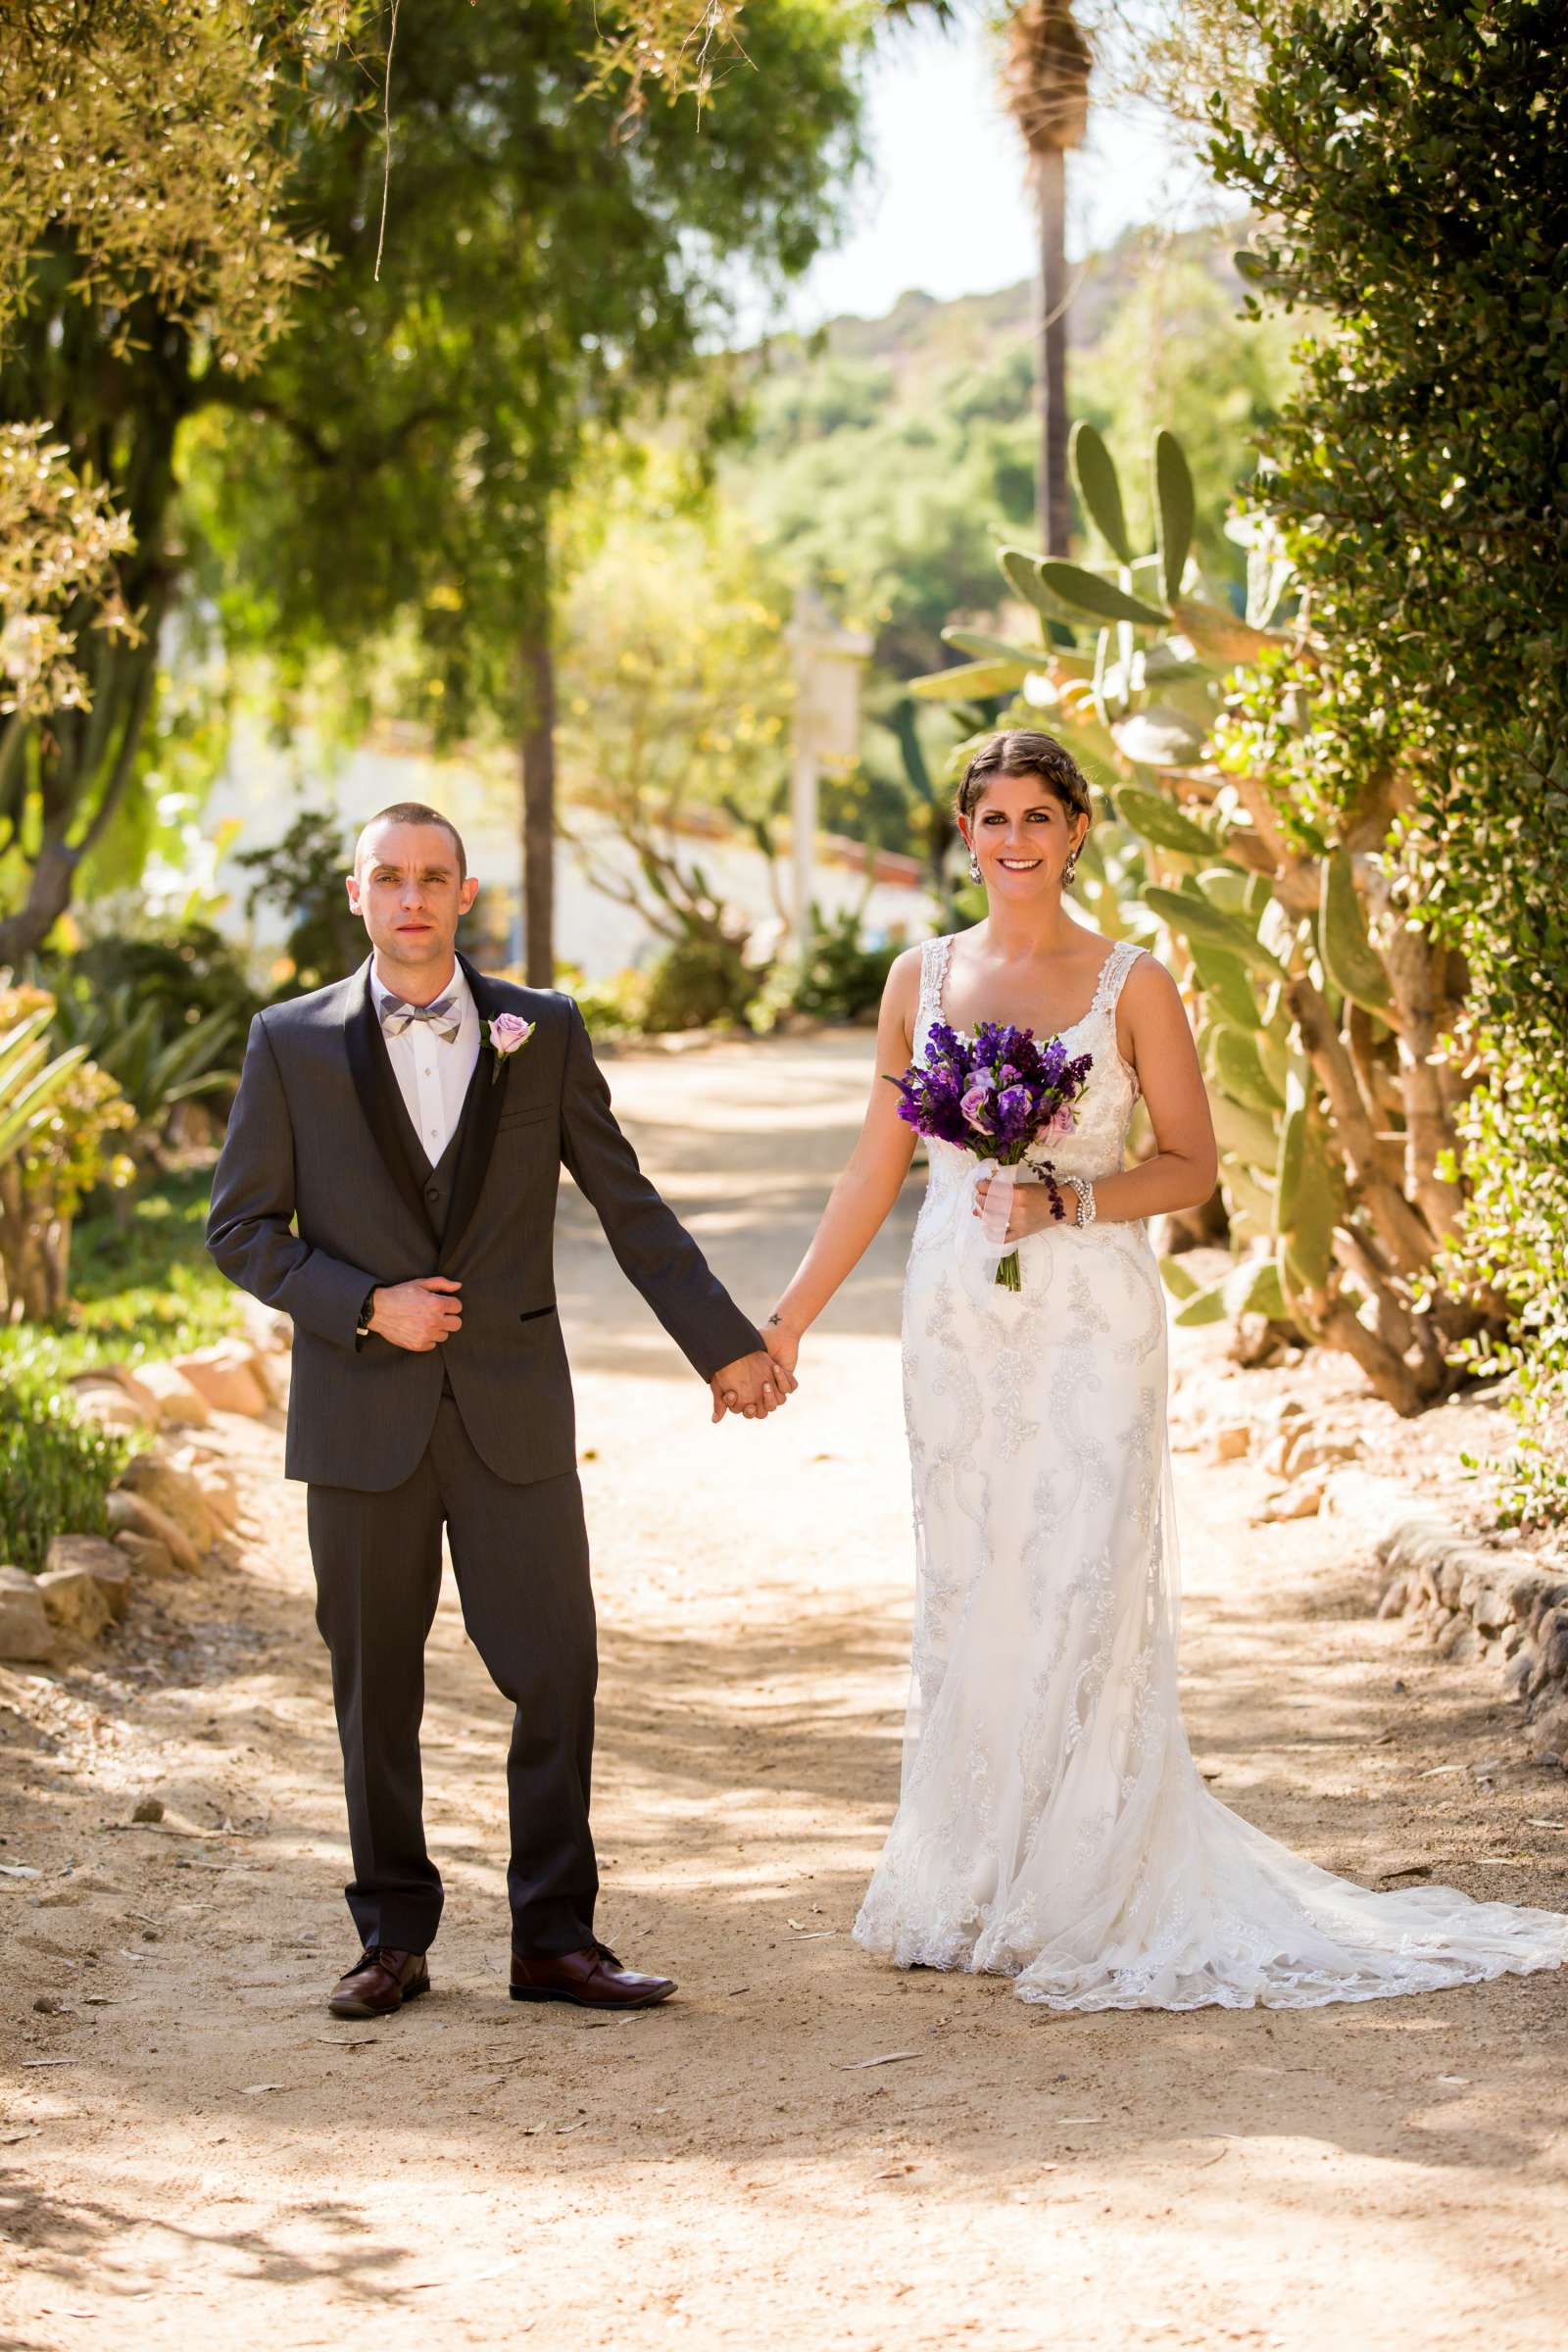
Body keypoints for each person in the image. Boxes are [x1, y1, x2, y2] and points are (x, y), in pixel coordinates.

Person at [762, 729, 1568, 2011]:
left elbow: (1192, 1167)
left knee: (1082, 1572)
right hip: (959, 1318)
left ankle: (1081, 1879)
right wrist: (792, 1317)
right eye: (994, 818)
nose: (1016, 839)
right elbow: (876, 1166)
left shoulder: (1129, 981)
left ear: (1078, 829)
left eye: (1040, 816)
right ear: (964, 834)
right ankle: (970, 1872)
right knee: (974, 1581)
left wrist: (1065, 1198)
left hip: (1091, 1313)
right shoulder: (919, 978)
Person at [206, 801, 792, 2021]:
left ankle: (553, 1939)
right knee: (375, 1687)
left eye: (434, 878)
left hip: (513, 1410)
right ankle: (393, 1938)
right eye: (389, 878)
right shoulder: (290, 1042)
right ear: (356, 894)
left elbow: (629, 1207)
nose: (412, 898)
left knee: (558, 1671)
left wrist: (726, 1348)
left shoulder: (545, 1031)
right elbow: (241, 1231)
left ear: (466, 894)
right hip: (360, 1420)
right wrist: (368, 1304)